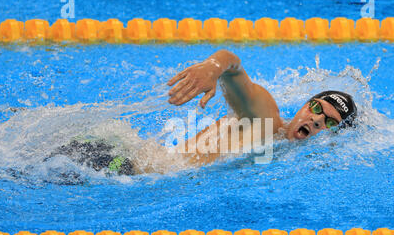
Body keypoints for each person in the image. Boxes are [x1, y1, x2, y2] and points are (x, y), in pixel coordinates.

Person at [49, 49, 358, 175]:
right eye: (316, 108)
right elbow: (234, 68)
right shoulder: (265, 120)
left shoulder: (279, 150)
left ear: (333, 136)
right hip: (120, 166)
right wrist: (214, 67)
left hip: (127, 159)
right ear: (305, 105)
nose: (316, 118)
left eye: (328, 121)